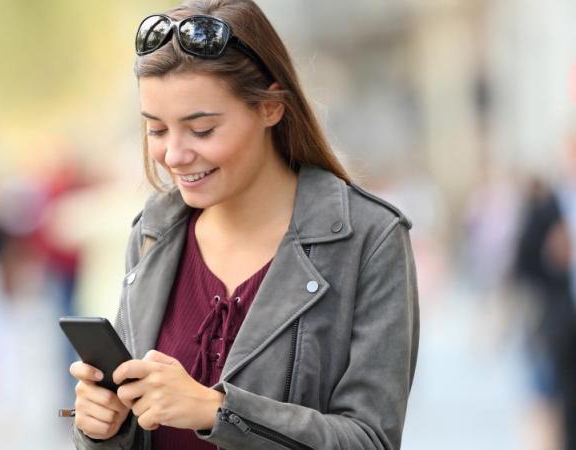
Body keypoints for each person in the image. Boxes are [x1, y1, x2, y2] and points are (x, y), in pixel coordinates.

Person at [68, 1, 419, 448]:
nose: (174, 155)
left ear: (270, 108)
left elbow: (370, 440)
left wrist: (218, 411)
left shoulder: (370, 238)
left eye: (202, 129)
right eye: (157, 130)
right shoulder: (153, 232)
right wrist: (101, 427)